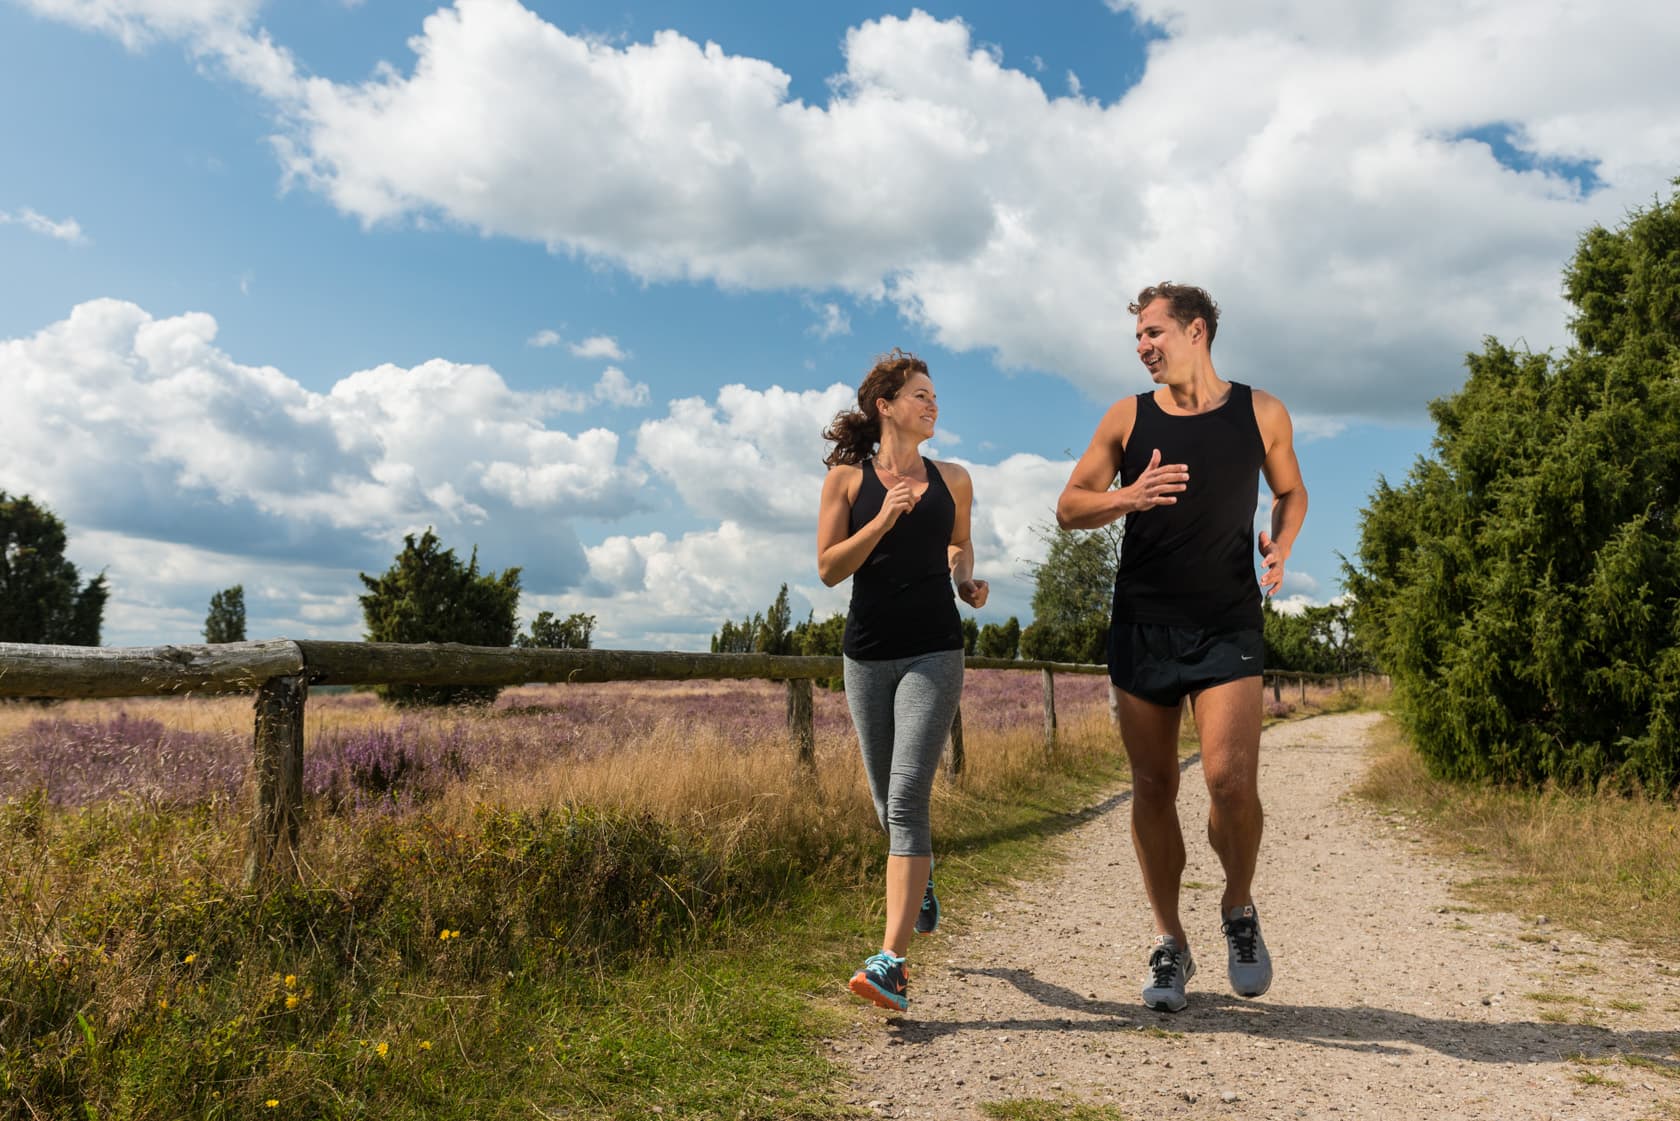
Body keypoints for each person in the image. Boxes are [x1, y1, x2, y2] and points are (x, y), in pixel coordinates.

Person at [1055, 283, 1307, 1013]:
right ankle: (1170, 939)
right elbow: (1071, 506)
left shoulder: (1261, 412)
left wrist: (1280, 544)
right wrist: (1128, 497)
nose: (1143, 347)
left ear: (1196, 331)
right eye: (1137, 337)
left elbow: (1292, 493)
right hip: (1143, 621)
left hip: (1228, 619)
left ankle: (1238, 905)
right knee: (1154, 785)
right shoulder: (1126, 417)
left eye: (1154, 332)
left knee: (1229, 780)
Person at [818, 348, 988, 1012]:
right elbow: (830, 568)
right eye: (920, 394)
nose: (932, 403)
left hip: (934, 650)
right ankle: (920, 884)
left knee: (909, 798)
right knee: (885, 805)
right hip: (866, 654)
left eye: (935, 395)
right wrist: (885, 517)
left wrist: (965, 579)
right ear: (885, 407)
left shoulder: (956, 478)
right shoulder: (845, 482)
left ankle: (891, 961)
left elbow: (959, 542)